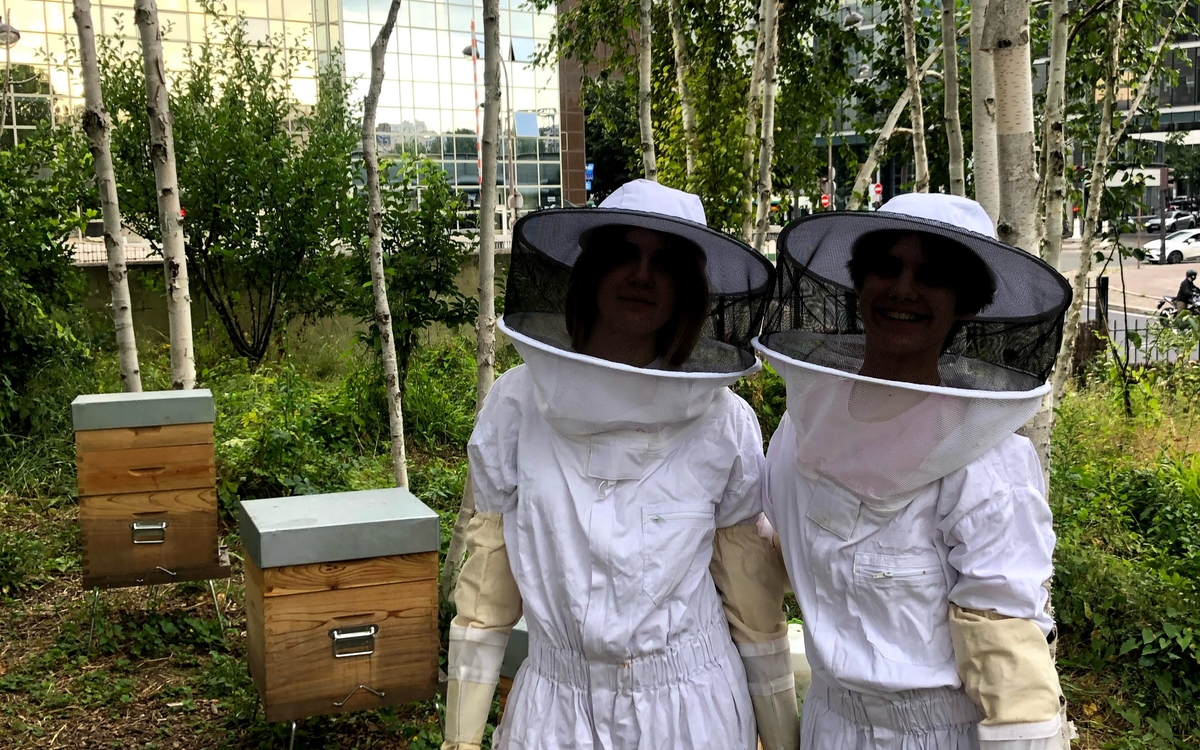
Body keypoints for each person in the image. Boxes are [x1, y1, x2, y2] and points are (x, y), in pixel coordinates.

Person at [441, 180, 798, 750]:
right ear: (592, 271)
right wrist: (459, 740)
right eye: (624, 255)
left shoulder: (724, 422)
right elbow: (487, 593)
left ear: (688, 288)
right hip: (554, 713)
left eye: (665, 263)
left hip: (691, 714)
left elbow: (752, 601)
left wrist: (782, 739)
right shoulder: (515, 406)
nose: (642, 275)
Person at [755, 193, 1073, 750]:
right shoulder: (804, 423)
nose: (903, 288)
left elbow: (1008, 665)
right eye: (887, 267)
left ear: (966, 303)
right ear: (860, 282)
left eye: (932, 276)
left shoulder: (989, 462)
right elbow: (787, 558)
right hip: (828, 724)